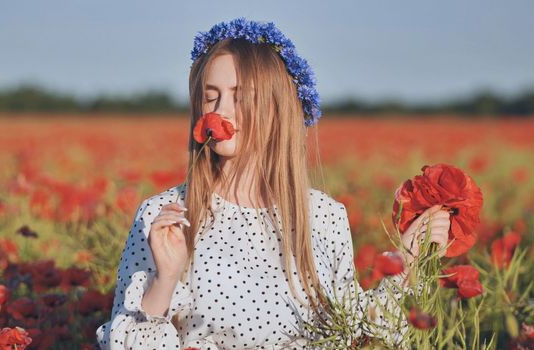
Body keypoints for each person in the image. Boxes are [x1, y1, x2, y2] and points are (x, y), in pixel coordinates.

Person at [96, 17, 450, 349]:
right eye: (210, 95)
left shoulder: (324, 216)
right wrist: (165, 280)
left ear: (277, 107)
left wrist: (406, 259)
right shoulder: (165, 216)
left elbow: (354, 329)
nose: (222, 109)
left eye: (241, 95)